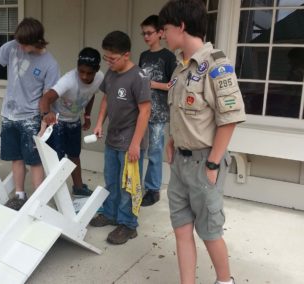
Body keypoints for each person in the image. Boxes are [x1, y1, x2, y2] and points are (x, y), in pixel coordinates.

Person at [159, 0, 246, 283]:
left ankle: (225, 281)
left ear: (182, 26)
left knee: (209, 231)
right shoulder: (179, 70)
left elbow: (229, 117)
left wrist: (213, 162)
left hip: (204, 162)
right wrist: (172, 139)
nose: (163, 34)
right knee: (182, 229)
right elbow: (182, 114)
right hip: (181, 164)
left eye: (166, 29)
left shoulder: (216, 65)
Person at [0, 17, 60, 210]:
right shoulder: (13, 46)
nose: (20, 48)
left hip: (31, 117)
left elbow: (49, 96)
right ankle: (19, 195)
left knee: (35, 160)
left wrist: (44, 121)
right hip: (9, 114)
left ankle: (39, 202)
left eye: (25, 45)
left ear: (37, 41)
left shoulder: (50, 64)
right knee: (16, 157)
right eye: (19, 43)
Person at [89, 31, 151, 245]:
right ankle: (111, 213)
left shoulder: (139, 77)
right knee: (112, 180)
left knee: (129, 185)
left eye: (113, 59)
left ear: (126, 55)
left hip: (130, 142)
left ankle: (128, 224)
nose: (109, 62)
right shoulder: (111, 73)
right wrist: (99, 123)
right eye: (106, 58)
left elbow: (145, 112)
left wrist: (135, 145)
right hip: (113, 139)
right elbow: (106, 99)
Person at [39, 47, 104, 196]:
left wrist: (87, 116)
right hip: (58, 122)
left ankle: (78, 187)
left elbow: (91, 94)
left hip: (74, 121)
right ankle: (55, 193)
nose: (85, 76)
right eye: (81, 71)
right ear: (77, 67)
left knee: (75, 155)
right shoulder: (68, 81)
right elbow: (45, 99)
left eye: (89, 73)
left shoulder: (100, 77)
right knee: (57, 160)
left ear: (97, 70)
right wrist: (46, 113)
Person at [139, 15, 176, 207]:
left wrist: (152, 84)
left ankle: (153, 189)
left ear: (160, 33)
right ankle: (136, 185)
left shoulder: (168, 57)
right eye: (143, 33)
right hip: (142, 111)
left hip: (159, 113)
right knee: (139, 148)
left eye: (149, 33)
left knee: (155, 151)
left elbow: (174, 85)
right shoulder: (144, 56)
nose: (146, 36)